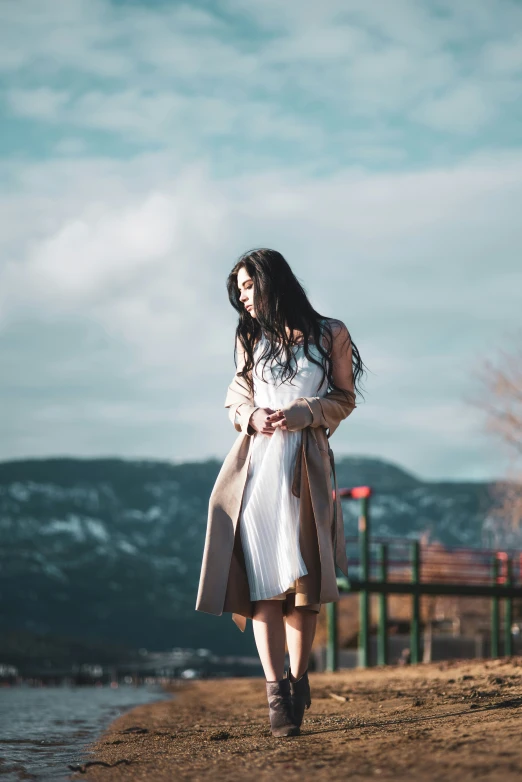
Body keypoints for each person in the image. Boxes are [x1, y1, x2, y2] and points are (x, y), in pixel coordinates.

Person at [196, 248, 364, 737]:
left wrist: (304, 413)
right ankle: (276, 694)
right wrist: (249, 416)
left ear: (274, 281)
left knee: (303, 593)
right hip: (255, 474)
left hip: (304, 473)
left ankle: (297, 677)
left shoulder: (330, 332)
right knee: (263, 589)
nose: (244, 298)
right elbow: (236, 393)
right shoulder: (249, 338)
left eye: (250, 286)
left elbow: (344, 398)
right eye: (240, 290)